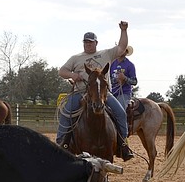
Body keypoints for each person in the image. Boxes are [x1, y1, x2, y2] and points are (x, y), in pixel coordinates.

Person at [57, 22, 135, 161]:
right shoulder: (76, 58)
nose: (88, 44)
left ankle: (123, 144)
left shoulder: (106, 53)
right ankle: (62, 144)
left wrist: (124, 30)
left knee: (121, 113)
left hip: (103, 92)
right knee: (66, 112)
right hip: (80, 92)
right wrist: (73, 75)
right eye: (86, 42)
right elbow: (62, 71)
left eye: (90, 42)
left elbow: (122, 47)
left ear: (96, 43)